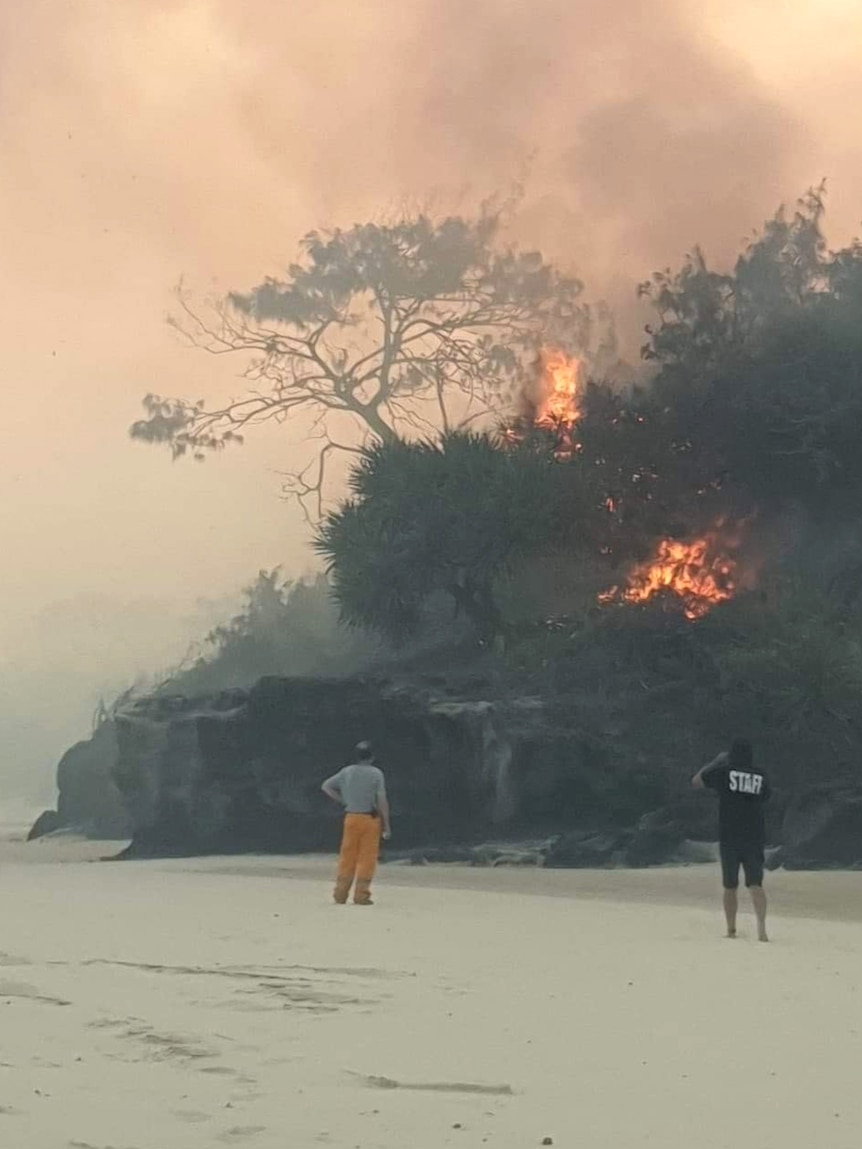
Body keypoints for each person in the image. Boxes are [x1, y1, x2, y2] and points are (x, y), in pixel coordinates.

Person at [691, 738, 771, 941]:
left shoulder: (724, 772)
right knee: (755, 884)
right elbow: (766, 796)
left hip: (729, 837)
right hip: (754, 837)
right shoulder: (760, 776)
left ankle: (731, 930)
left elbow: (696, 781)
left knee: (730, 885)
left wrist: (715, 762)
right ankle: (761, 929)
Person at [321, 741, 391, 906]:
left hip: (351, 817)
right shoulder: (376, 773)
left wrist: (343, 801)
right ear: (372, 757)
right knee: (367, 858)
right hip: (369, 819)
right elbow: (381, 799)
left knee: (347, 856)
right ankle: (361, 895)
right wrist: (386, 824)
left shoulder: (347, 772)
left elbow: (326, 786)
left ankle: (340, 893)